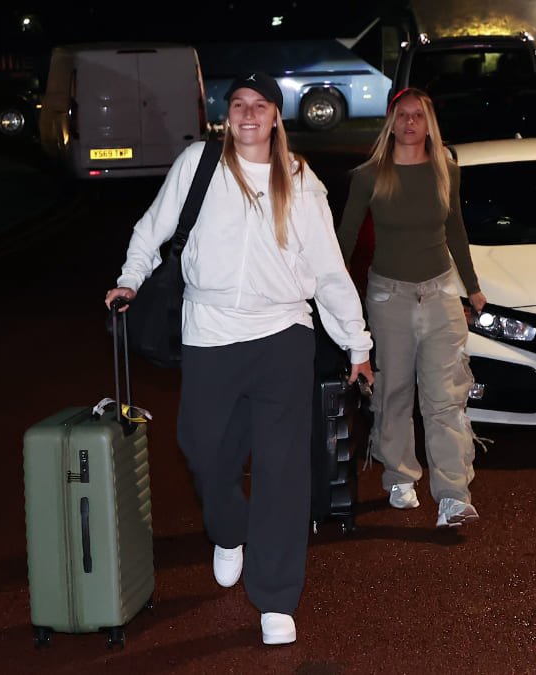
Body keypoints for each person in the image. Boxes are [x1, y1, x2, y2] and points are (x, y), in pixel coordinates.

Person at [104, 72, 373, 646]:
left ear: (277, 116)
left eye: (261, 105)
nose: (249, 114)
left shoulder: (301, 180)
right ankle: (229, 531)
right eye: (239, 105)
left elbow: (327, 269)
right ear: (229, 115)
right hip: (209, 333)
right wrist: (130, 279)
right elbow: (153, 229)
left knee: (282, 471)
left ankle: (276, 597)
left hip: (283, 335)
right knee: (202, 452)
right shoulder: (200, 164)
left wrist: (357, 342)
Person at [335, 87, 487, 528]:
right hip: (388, 298)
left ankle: (454, 495)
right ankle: (400, 475)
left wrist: (472, 287)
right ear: (390, 122)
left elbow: (455, 227)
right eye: (401, 115)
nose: (409, 122)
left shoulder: (447, 171)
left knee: (445, 400)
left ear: (429, 123)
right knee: (394, 392)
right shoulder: (369, 175)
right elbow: (343, 241)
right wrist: (335, 296)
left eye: (418, 115)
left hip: (441, 294)